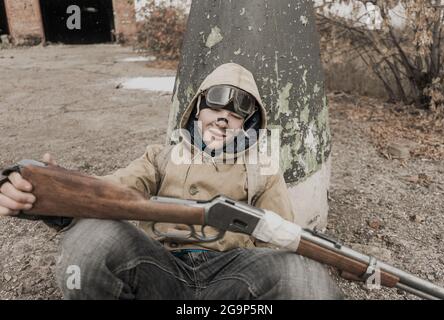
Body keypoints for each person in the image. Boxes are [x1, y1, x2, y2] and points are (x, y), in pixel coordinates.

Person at [0, 63, 342, 299]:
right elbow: (110, 192)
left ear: (249, 124)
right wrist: (54, 194)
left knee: (306, 278)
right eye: (217, 101)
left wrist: (324, 263)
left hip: (233, 281)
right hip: (158, 266)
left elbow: (278, 241)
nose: (225, 116)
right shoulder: (160, 156)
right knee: (90, 241)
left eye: (240, 110)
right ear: (197, 108)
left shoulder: (264, 169)